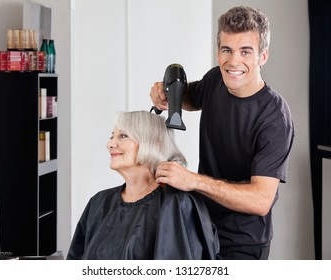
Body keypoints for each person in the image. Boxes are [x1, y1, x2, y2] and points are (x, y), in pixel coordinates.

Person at [150, 6, 294, 260]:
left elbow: (260, 200)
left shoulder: (274, 117)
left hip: (243, 243)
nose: (233, 61)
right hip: (201, 227)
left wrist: (193, 181)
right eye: (226, 50)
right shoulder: (216, 79)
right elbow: (191, 98)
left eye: (245, 51)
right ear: (218, 52)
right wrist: (167, 94)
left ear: (263, 57)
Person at [67, 110, 219, 260]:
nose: (110, 144)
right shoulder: (99, 202)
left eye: (123, 136)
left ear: (154, 143)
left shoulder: (177, 204)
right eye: (112, 136)